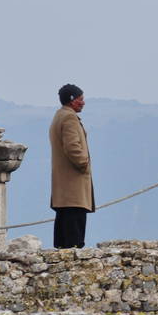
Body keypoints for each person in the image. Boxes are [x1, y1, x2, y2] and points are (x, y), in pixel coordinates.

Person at [49, 83, 95, 248]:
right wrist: (84, 164)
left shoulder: (59, 116)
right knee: (74, 225)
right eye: (80, 99)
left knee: (64, 222)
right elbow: (72, 147)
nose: (83, 102)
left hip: (63, 187)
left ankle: (64, 253)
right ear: (71, 100)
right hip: (73, 184)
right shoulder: (69, 118)